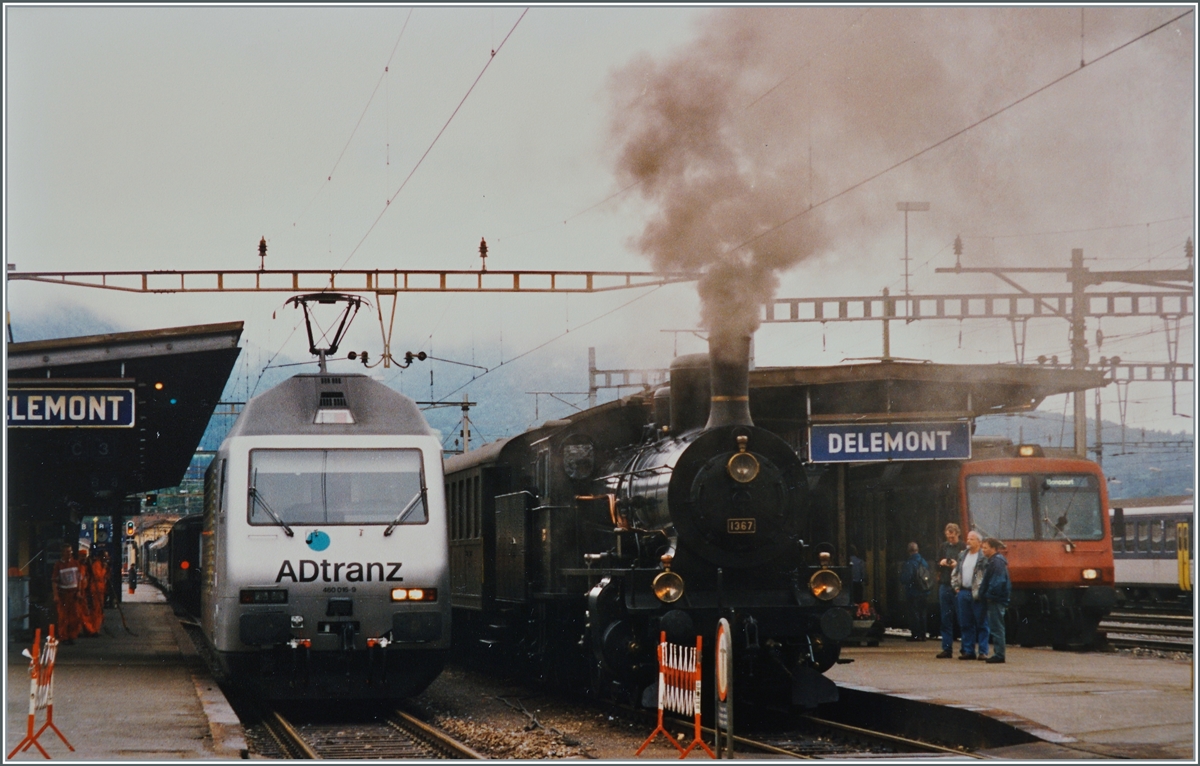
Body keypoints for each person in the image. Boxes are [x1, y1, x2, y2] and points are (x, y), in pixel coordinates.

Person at [951, 530, 989, 660]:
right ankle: (968, 651)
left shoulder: (983, 557)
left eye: (972, 539)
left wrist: (983, 591)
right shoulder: (962, 555)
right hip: (963, 592)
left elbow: (987, 575)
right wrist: (956, 587)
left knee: (982, 623)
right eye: (968, 538)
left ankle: (983, 651)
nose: (968, 541)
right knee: (965, 623)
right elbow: (956, 572)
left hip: (978, 594)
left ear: (979, 542)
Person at [935, 523, 965, 659]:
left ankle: (966, 649)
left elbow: (968, 566)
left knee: (962, 618)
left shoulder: (963, 547)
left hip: (958, 586)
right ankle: (947, 649)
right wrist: (941, 563)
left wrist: (956, 565)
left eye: (952, 537)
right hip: (945, 584)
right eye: (948, 537)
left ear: (958, 534)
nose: (950, 539)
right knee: (945, 618)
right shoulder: (943, 547)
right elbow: (937, 562)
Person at [980, 538, 1011, 664]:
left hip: (995, 599)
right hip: (996, 598)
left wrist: (988, 595)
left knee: (997, 627)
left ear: (993, 548)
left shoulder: (996, 562)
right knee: (996, 626)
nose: (983, 550)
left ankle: (999, 654)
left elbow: (997, 582)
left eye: (985, 548)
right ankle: (998, 653)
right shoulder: (995, 561)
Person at [51, 545, 83, 644]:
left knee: (74, 616)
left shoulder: (75, 563)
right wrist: (56, 595)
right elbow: (54, 581)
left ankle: (72, 636)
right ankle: (63, 637)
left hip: (73, 594)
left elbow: (79, 579)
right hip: (63, 594)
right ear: (63, 553)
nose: (69, 553)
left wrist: (79, 591)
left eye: (70, 551)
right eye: (67, 551)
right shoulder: (58, 565)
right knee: (63, 617)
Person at [899, 542, 931, 641]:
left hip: (913, 592)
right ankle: (923, 634)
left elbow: (905, 578)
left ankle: (916, 635)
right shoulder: (924, 561)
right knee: (923, 614)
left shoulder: (910, 563)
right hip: (924, 592)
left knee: (914, 614)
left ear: (909, 551)